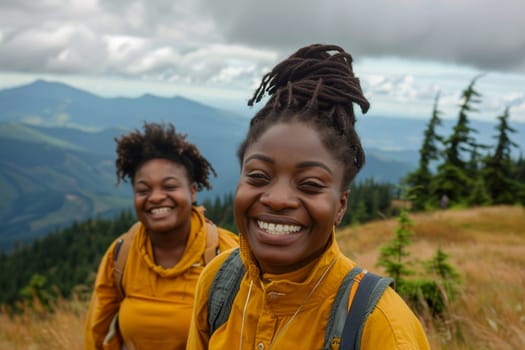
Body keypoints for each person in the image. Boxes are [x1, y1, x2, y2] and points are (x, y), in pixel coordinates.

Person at [186, 44, 430, 349]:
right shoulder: (219, 284)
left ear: (341, 205)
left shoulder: (379, 327)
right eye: (259, 176)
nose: (277, 199)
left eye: (310, 184)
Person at [84, 122, 239, 350]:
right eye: (143, 190)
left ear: (193, 190)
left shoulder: (226, 255)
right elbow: (95, 332)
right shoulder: (121, 253)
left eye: (169, 186)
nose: (156, 197)